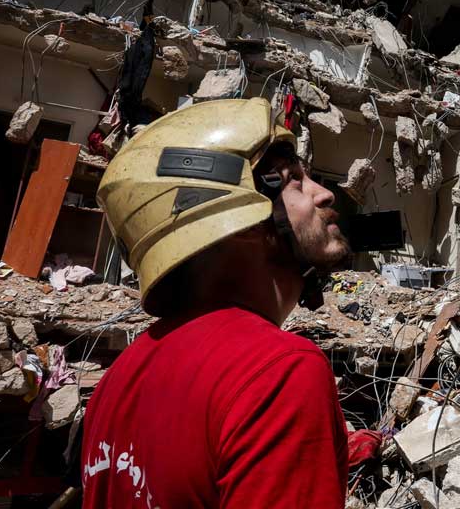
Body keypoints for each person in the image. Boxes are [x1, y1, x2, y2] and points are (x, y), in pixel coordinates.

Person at [82, 99, 351, 508]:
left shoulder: (115, 384)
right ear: (239, 220)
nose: (324, 193)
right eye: (294, 180)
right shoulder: (279, 374)